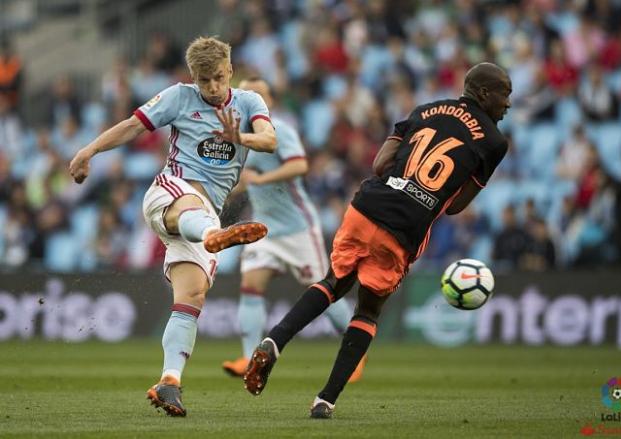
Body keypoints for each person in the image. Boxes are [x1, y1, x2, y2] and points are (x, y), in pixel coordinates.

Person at [243, 62, 512, 418]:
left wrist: (400, 180)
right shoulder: (494, 142)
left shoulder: (425, 110)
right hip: (404, 227)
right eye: (504, 94)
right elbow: (456, 206)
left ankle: (274, 340)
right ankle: (325, 401)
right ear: (483, 93)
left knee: (333, 282)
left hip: (367, 206)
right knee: (368, 310)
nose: (508, 103)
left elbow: (380, 163)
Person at [69, 37, 277, 417]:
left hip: (205, 217)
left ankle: (169, 381)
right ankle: (213, 236)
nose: (211, 88)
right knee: (192, 211)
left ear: (230, 71)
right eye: (203, 80)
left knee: (192, 297)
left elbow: (269, 139)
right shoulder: (178, 97)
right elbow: (134, 126)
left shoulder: (248, 103)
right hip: (171, 193)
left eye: (217, 78)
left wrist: (239, 137)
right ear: (192, 77)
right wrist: (89, 151)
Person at [220, 78, 361, 381]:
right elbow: (244, 177)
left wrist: (258, 180)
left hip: (298, 228)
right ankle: (248, 357)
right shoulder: (241, 138)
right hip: (266, 229)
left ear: (268, 101)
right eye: (246, 94)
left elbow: (299, 166)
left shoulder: (279, 131)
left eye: (259, 95)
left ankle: (355, 353)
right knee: (251, 284)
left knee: (326, 291)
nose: (252, 100)